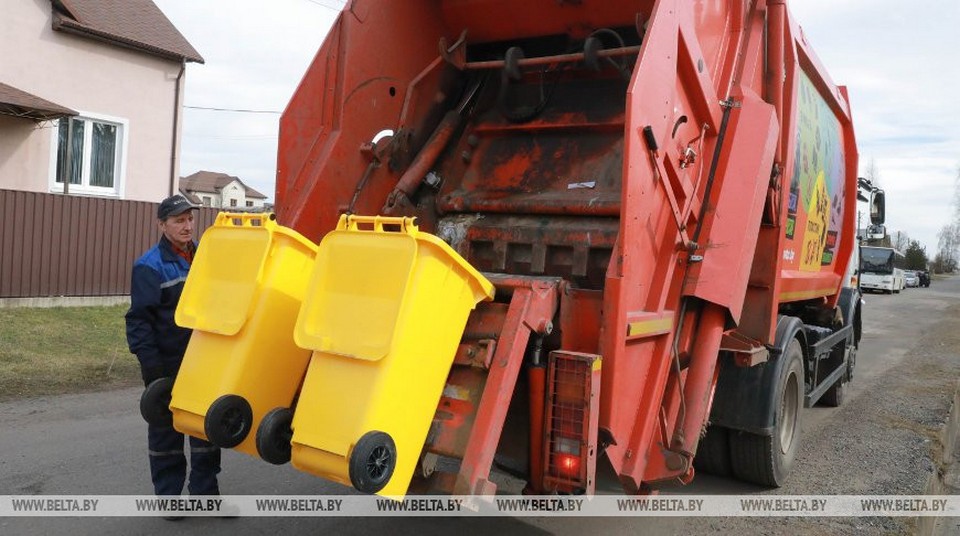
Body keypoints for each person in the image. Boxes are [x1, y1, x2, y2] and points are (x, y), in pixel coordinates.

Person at [125, 194, 221, 504]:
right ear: (162, 225)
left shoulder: (207, 259)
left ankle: (205, 495)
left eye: (190, 219)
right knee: (166, 436)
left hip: (204, 362)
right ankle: (169, 497)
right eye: (179, 220)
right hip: (166, 365)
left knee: (206, 432)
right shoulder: (149, 266)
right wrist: (152, 371)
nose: (187, 225)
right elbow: (139, 322)